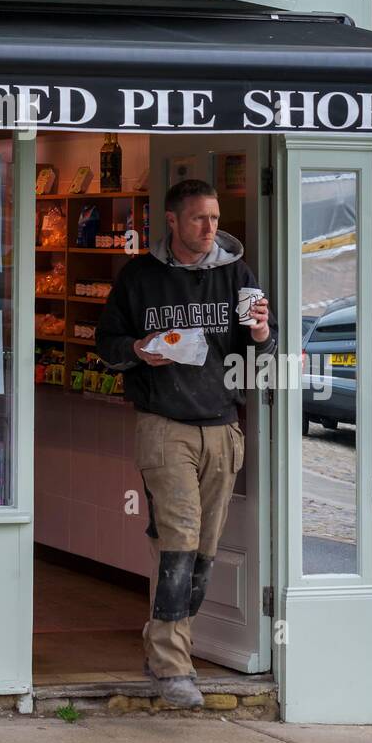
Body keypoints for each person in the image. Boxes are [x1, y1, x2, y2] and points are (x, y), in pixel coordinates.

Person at [96, 178, 276, 708]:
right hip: (164, 425)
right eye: (199, 218)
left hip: (222, 426)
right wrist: (137, 348)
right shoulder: (140, 278)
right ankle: (175, 665)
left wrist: (265, 333)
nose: (211, 228)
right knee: (178, 540)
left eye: (216, 218)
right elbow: (107, 344)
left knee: (202, 551)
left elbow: (261, 347)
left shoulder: (236, 275)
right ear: (172, 221)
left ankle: (162, 649)